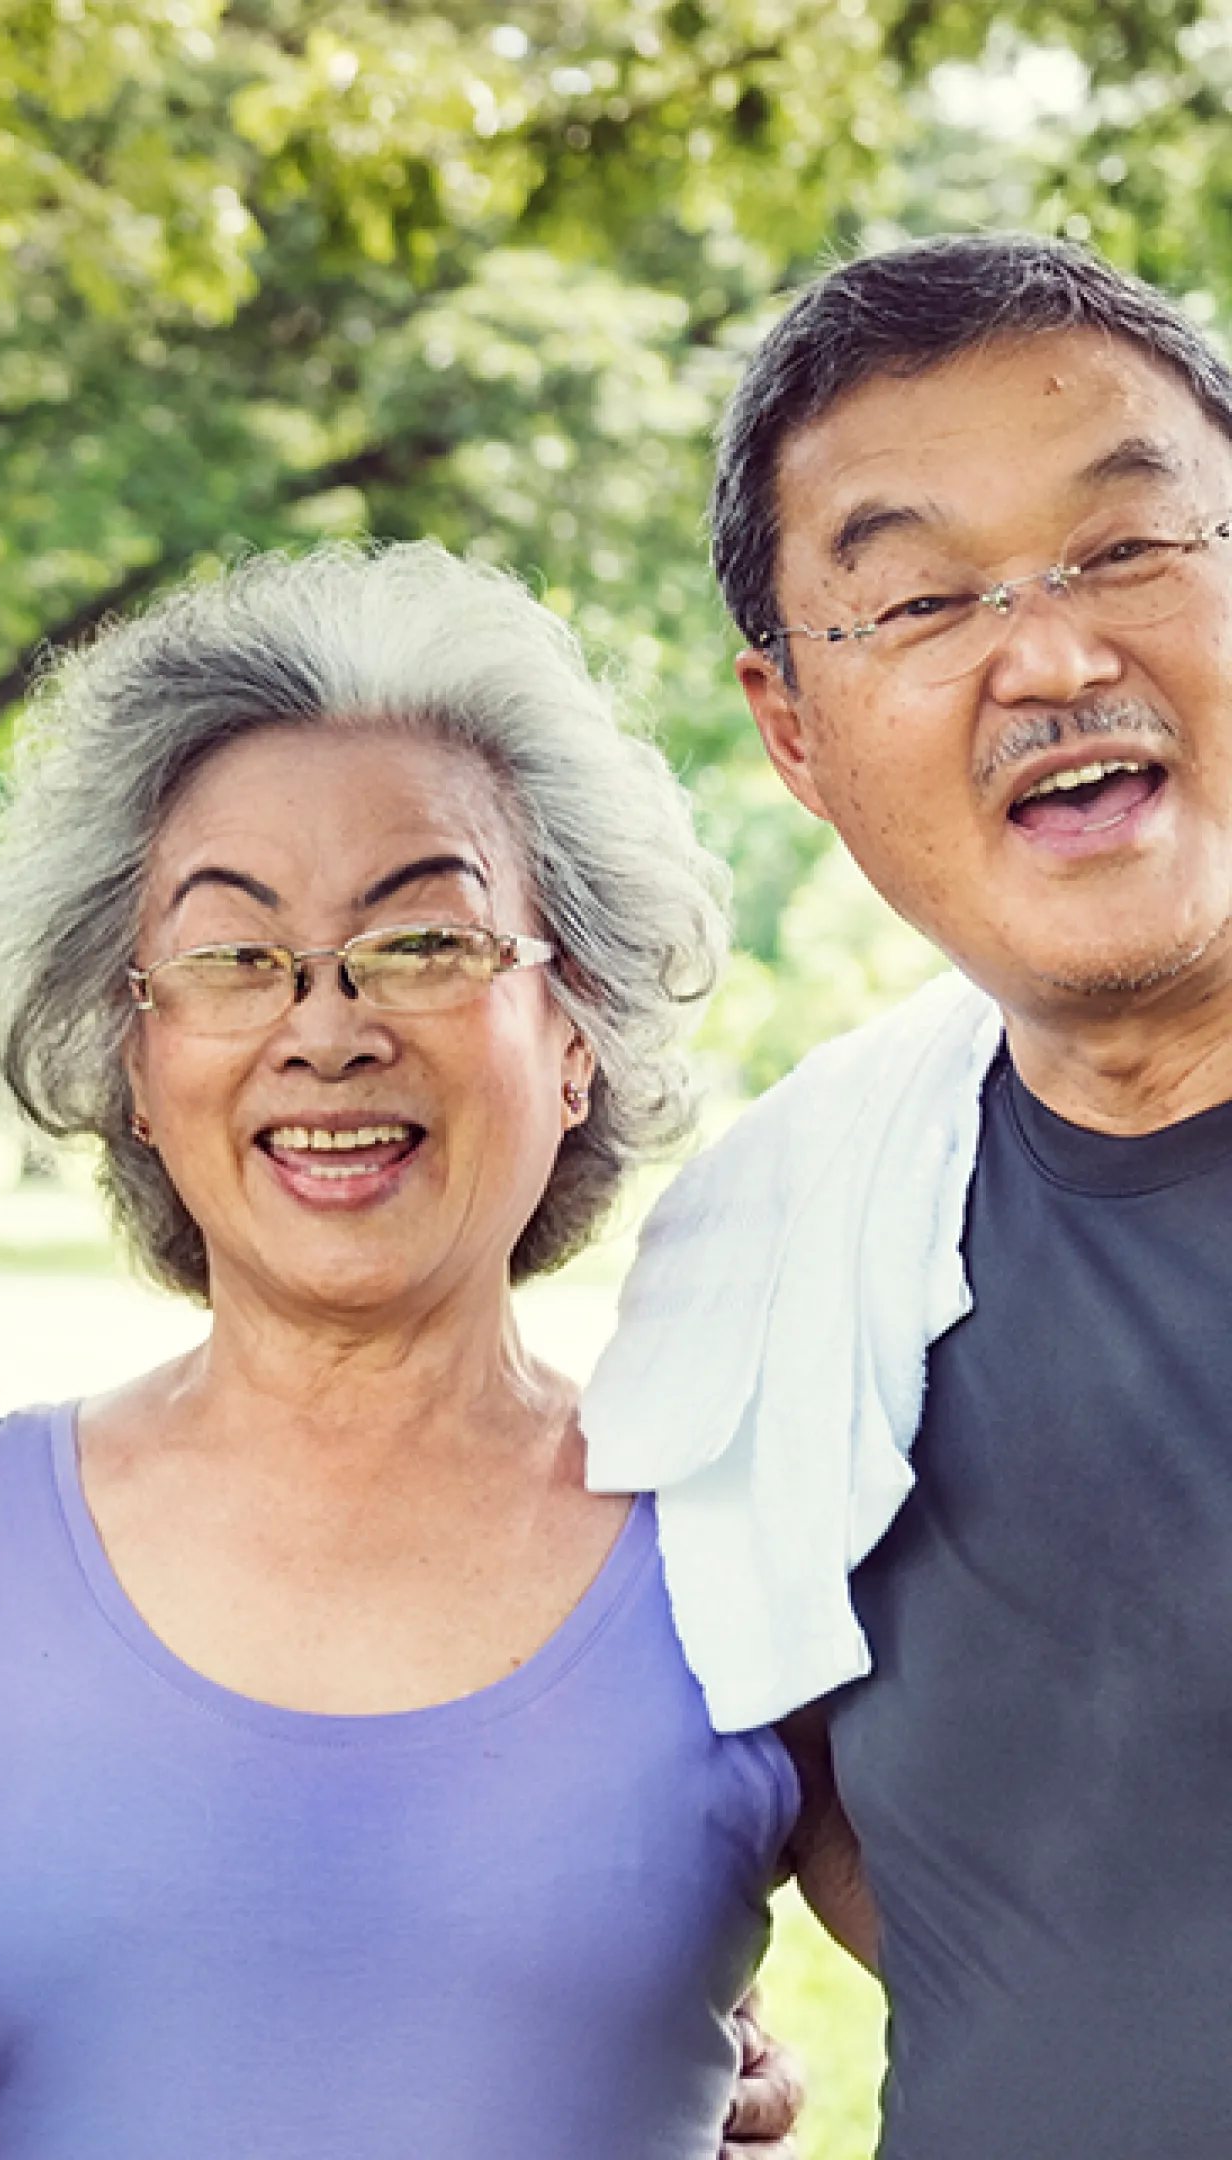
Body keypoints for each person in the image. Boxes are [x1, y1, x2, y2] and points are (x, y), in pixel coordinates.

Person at [0, 545, 797, 2156]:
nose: (325, 1028)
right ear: (131, 1055)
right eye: (232, 957)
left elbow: (1018, 1989)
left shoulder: (742, 1550)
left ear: (577, 1033)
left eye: (423, 942)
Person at [580, 231, 1232, 2155]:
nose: (1054, 656)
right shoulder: (786, 1246)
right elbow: (835, 1816)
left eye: (1129, 546)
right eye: (924, 599)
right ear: (792, 729)